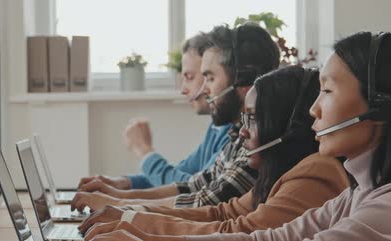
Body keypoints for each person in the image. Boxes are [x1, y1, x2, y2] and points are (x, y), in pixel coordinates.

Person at [78, 31, 391, 241]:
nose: (313, 110)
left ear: (381, 107)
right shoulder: (359, 195)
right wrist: (144, 237)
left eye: (328, 91)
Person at [79, 66, 350, 241]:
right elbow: (221, 213)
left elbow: (240, 233)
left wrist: (142, 235)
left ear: (286, 127)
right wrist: (130, 217)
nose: (242, 132)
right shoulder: (281, 173)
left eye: (252, 119)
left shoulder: (315, 175)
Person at [72, 24, 280, 211]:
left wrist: (119, 204)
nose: (203, 89)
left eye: (209, 77)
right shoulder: (237, 132)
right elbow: (191, 185)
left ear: (242, 81)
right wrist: (120, 194)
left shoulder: (259, 141)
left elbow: (203, 202)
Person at [79, 33, 232, 190]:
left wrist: (144, 151)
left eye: (190, 77)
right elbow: (181, 174)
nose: (183, 89)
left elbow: (193, 188)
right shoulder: (216, 128)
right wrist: (125, 183)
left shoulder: (233, 134)